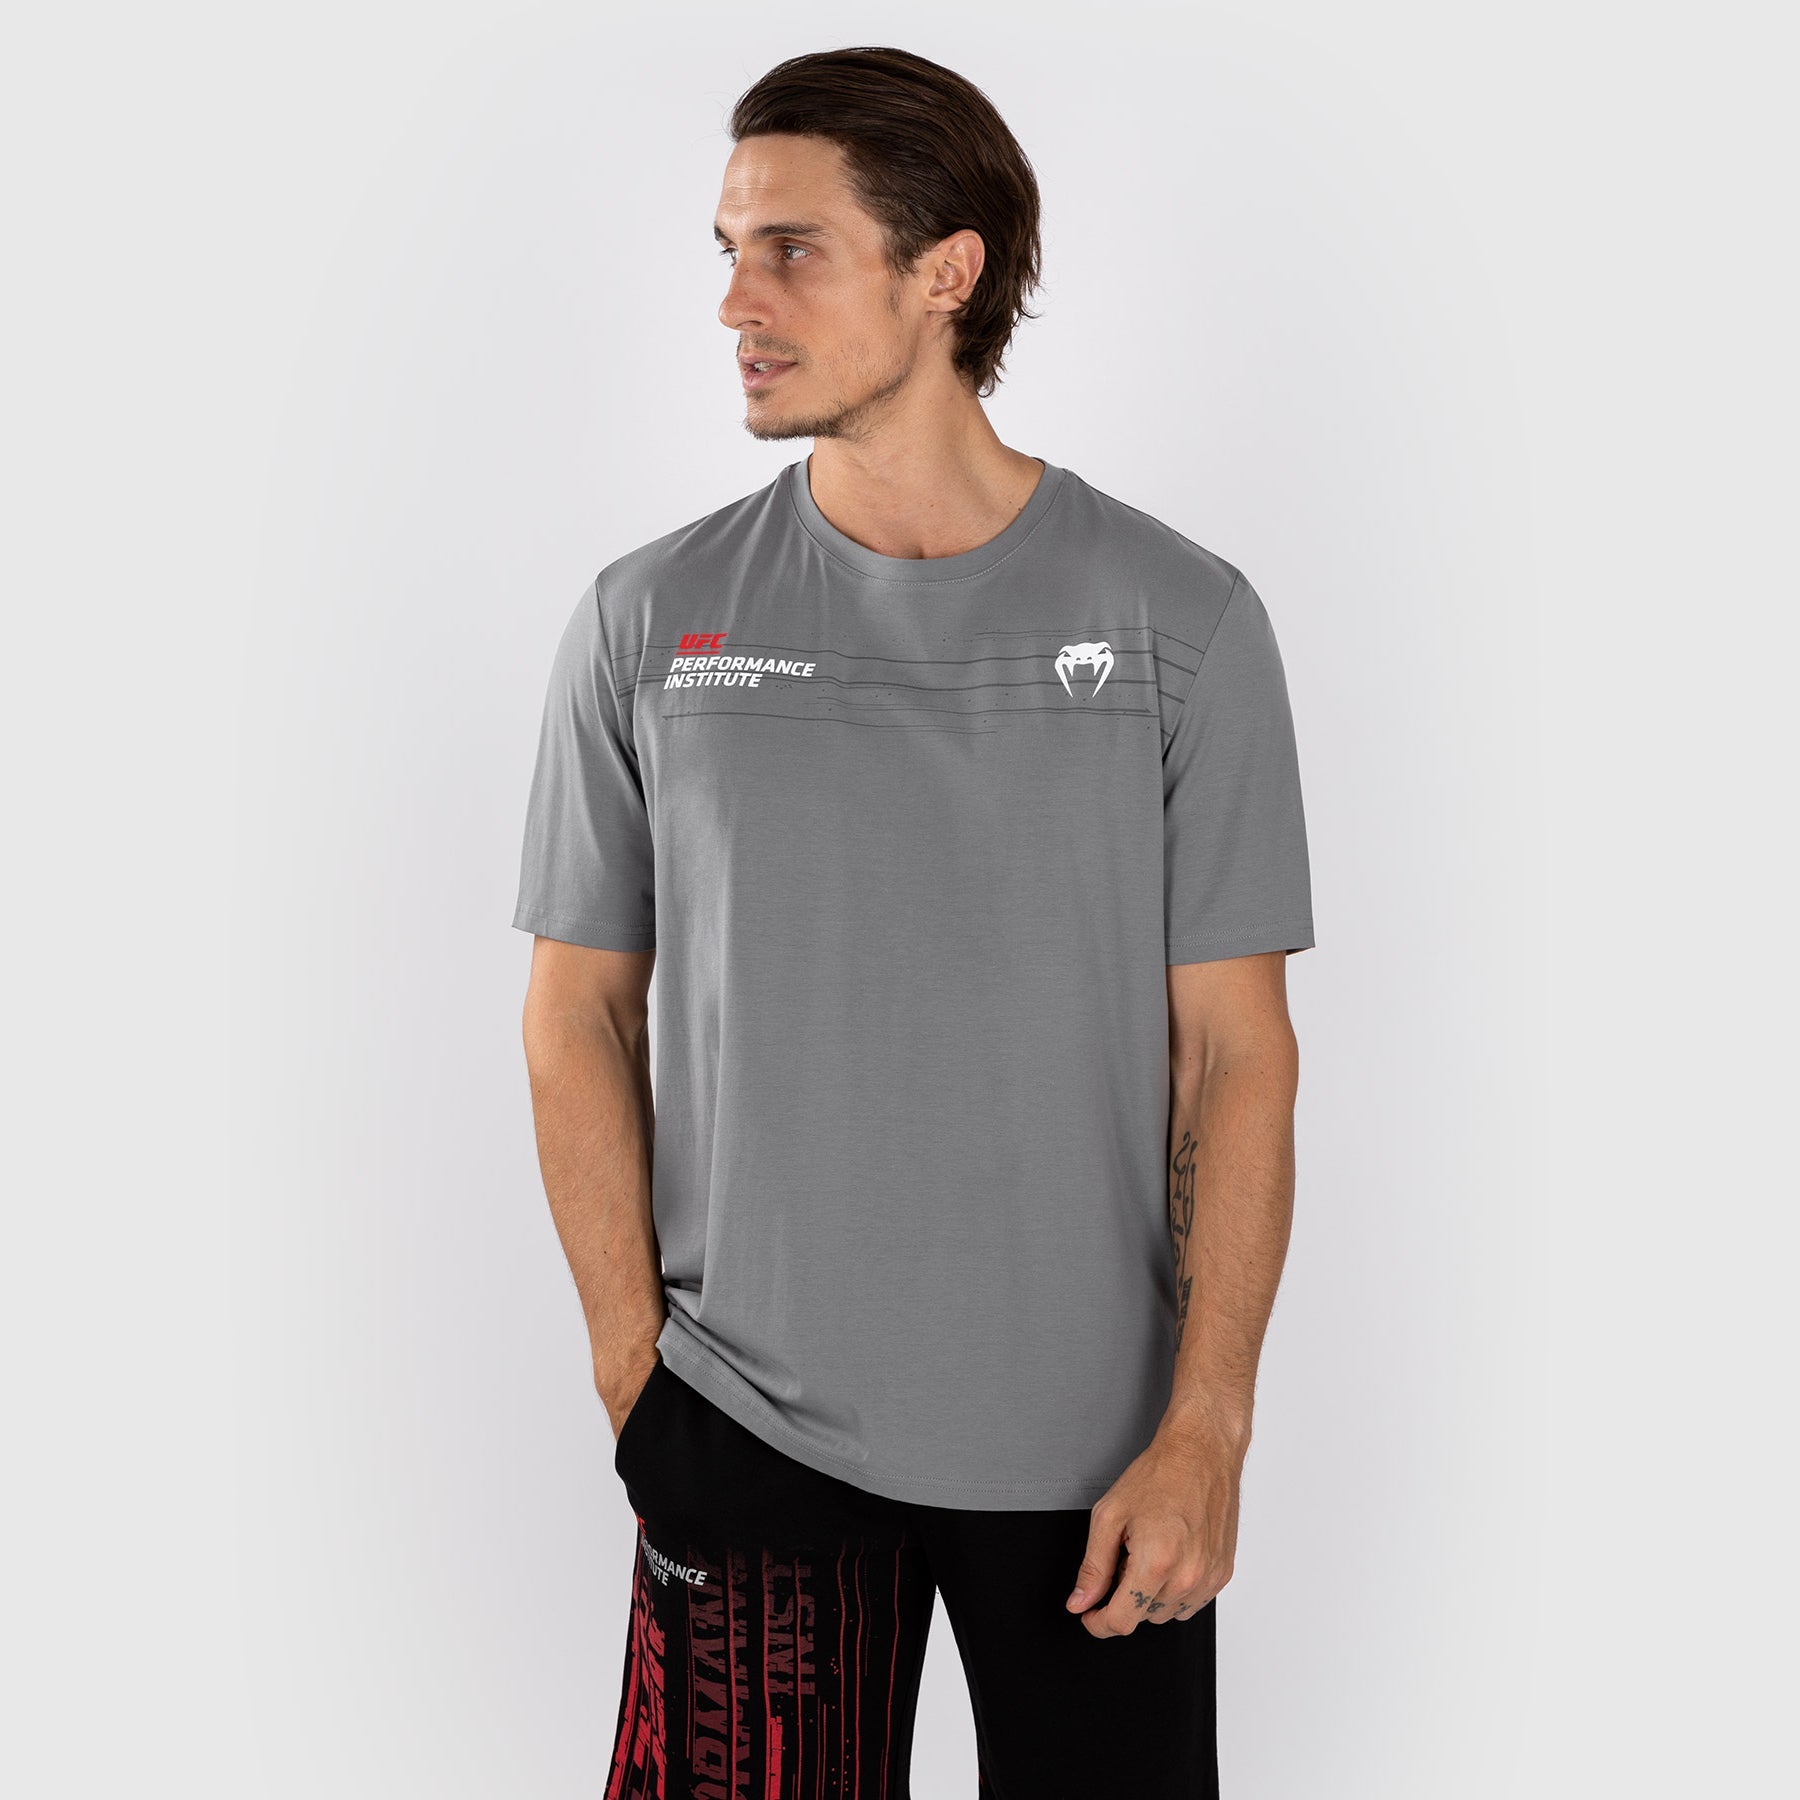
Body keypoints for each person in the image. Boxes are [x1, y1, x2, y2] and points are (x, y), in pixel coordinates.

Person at [514, 45, 1315, 1799]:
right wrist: (637, 1381)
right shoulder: (650, 620)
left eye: (791, 249)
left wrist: (1208, 1428)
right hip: (742, 1434)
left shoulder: (1179, 620)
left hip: (1101, 1469)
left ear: (948, 270)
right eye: (728, 250)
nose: (736, 301)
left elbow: (1236, 1055)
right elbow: (576, 1012)